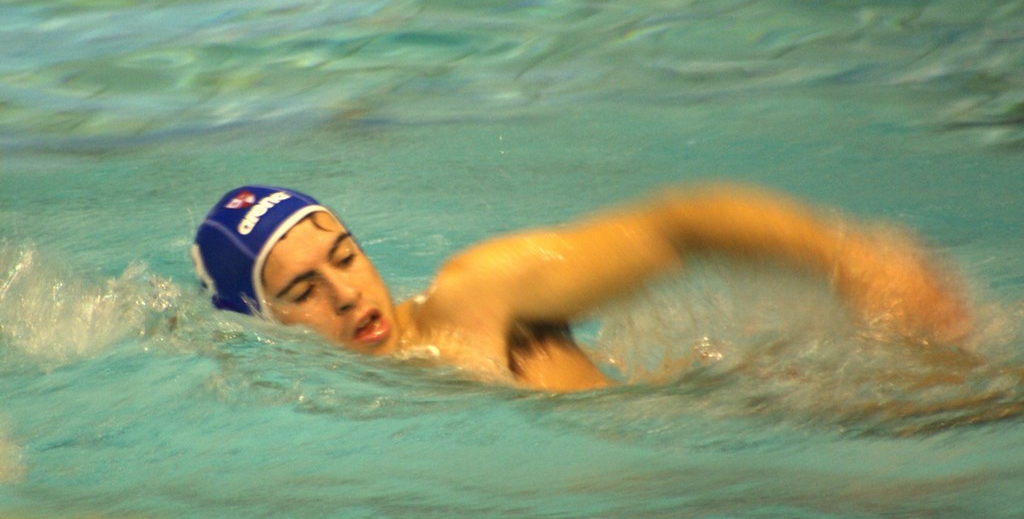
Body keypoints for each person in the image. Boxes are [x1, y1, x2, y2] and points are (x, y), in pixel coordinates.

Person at [192, 183, 970, 391]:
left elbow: (675, 228)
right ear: (261, 323)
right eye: (302, 290)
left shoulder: (474, 297)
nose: (346, 292)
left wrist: (846, 254)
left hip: (786, 418)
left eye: (345, 254)